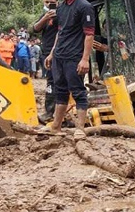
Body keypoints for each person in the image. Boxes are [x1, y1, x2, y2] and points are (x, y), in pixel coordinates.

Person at [45, 0, 95, 134]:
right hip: (59, 56)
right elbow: (59, 33)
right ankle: (56, 127)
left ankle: (80, 129)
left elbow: (89, 34)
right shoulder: (61, 7)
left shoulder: (84, 7)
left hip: (74, 56)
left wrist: (85, 59)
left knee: (78, 91)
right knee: (60, 91)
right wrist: (52, 53)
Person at [34, 0, 59, 120]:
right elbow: (35, 28)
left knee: (58, 82)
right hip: (46, 52)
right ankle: (49, 112)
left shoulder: (63, 13)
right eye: (47, 1)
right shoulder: (45, 15)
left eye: (52, 1)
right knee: (50, 82)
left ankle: (57, 113)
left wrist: (52, 53)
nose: (49, 4)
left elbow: (61, 33)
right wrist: (45, 18)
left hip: (58, 52)